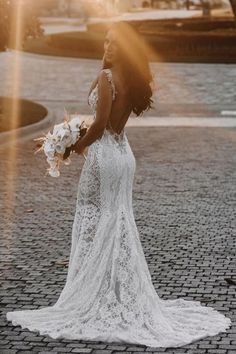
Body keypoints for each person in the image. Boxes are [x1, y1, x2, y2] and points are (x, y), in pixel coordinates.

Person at [6, 21, 231, 347]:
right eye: (106, 42)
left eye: (113, 44)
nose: (106, 48)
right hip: (123, 154)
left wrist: (74, 146)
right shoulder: (133, 79)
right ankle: (117, 292)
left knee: (93, 217)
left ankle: (96, 295)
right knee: (117, 220)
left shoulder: (107, 77)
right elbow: (113, 124)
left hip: (105, 156)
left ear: (124, 49)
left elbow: (98, 126)